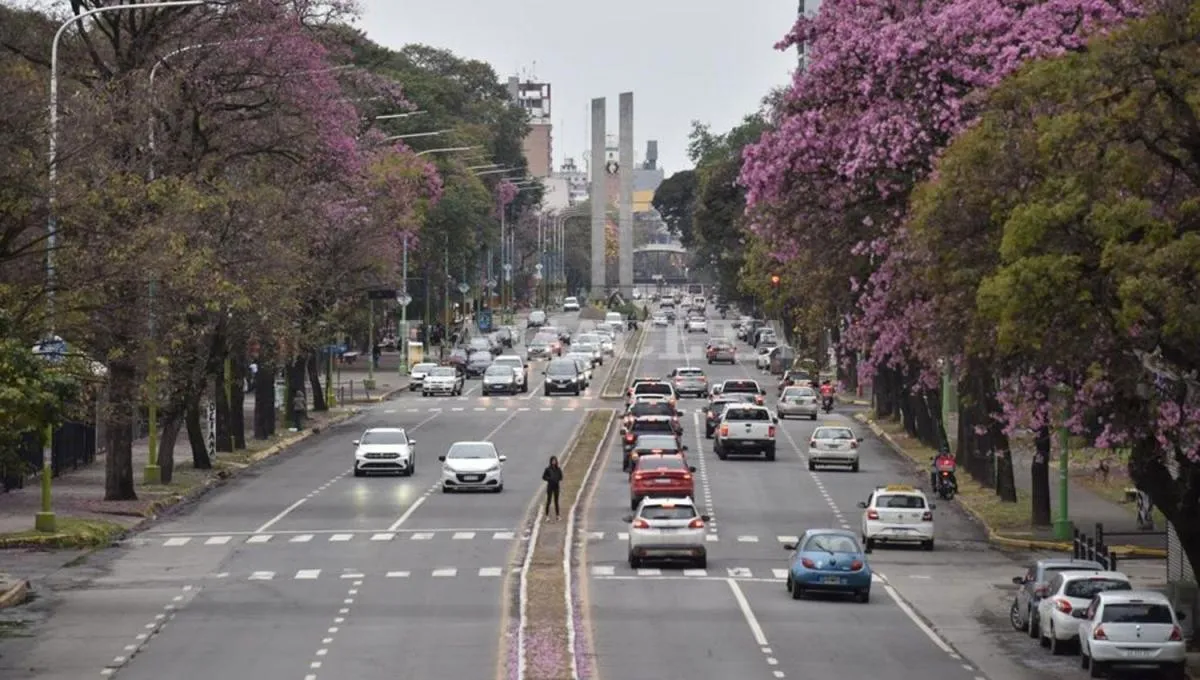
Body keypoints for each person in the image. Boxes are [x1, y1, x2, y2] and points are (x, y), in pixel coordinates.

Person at [542, 456, 563, 521]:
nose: (554, 462)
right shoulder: (547, 469)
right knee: (549, 501)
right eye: (552, 461)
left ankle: (558, 515)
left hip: (556, 486)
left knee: (556, 501)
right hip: (550, 486)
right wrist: (549, 479)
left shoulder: (558, 469)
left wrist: (557, 479)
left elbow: (561, 477)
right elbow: (544, 477)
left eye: (555, 461)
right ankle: (547, 516)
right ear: (551, 462)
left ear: (556, 461)